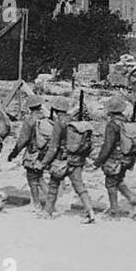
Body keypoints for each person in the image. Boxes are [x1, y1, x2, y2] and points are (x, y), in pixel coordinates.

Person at [40, 96, 96, 224]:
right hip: (76, 159)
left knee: (53, 185)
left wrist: (43, 163)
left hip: (61, 161)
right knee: (79, 186)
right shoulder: (73, 121)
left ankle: (47, 212)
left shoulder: (58, 123)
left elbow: (53, 147)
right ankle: (90, 212)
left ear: (54, 109)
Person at [93, 96, 136, 219]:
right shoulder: (125, 121)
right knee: (119, 180)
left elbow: (107, 146)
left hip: (115, 159)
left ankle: (114, 212)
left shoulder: (112, 125)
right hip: (128, 158)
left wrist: (98, 162)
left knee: (110, 184)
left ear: (109, 111)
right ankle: (134, 200)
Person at [8, 91, 50, 212]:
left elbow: (23, 140)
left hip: (33, 153)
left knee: (32, 179)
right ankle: (50, 200)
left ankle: (37, 205)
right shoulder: (45, 119)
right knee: (39, 176)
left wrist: (13, 153)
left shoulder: (30, 121)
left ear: (29, 107)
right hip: (44, 153)